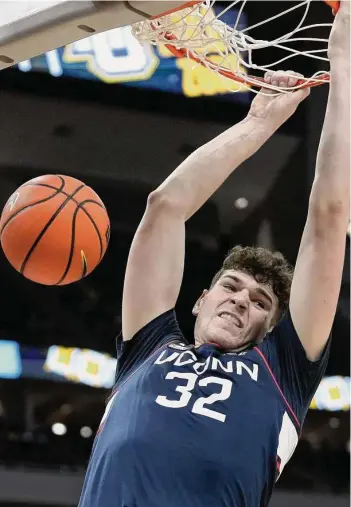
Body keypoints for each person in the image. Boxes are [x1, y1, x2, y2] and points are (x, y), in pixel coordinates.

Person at [78, 2, 350, 506]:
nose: (243, 300)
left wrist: (343, 60)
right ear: (200, 299)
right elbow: (165, 208)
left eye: (261, 302)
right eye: (231, 286)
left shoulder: (283, 371)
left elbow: (330, 217)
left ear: (270, 329)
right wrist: (257, 124)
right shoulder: (148, 348)